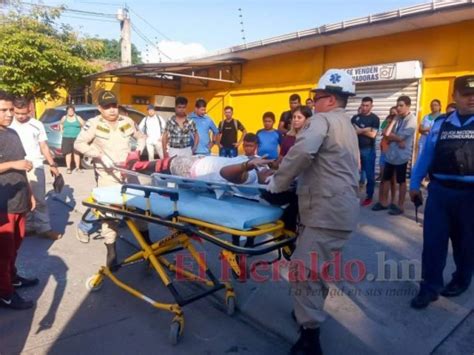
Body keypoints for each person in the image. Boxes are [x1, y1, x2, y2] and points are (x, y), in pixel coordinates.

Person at [267, 69, 360, 354]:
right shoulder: (347, 126)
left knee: (303, 272)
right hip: (340, 211)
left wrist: (277, 183)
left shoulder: (321, 120)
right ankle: (308, 315)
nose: (312, 103)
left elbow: (303, 151)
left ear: (330, 99)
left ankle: (310, 336)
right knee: (316, 271)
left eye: (316, 98)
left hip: (324, 212)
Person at [409, 75, 474, 309]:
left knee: (467, 244)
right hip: (440, 194)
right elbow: (426, 155)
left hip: (470, 197)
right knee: (433, 243)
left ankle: (462, 279)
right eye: (467, 95)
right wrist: (414, 184)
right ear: (455, 96)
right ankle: (430, 287)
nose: (472, 99)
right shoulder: (440, 124)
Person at [74, 90, 148, 267]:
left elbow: (142, 137)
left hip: (128, 173)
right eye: (107, 107)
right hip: (107, 174)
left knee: (141, 208)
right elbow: (79, 143)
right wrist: (98, 155)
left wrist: (137, 151)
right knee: (110, 214)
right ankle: (111, 252)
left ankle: (148, 245)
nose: (112, 110)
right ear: (100, 108)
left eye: (114, 106)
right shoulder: (92, 124)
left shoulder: (127, 121)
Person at [0, 90, 38, 310]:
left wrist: (30, 194)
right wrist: (13, 165)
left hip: (20, 200)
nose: (9, 114)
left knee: (15, 247)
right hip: (3, 205)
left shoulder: (12, 134)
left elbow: (22, 165)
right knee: (3, 253)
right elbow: (16, 164)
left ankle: (12, 278)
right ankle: (5, 293)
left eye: (11, 110)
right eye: (3, 110)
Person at [10, 97, 62, 240]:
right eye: (17, 113)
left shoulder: (37, 124)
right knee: (21, 198)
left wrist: (52, 164)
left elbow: (44, 146)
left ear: (30, 109)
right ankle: (27, 227)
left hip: (35, 165)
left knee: (39, 199)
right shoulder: (8, 124)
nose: (20, 116)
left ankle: (44, 228)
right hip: (15, 166)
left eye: (23, 113)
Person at [372, 95, 417, 215]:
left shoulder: (411, 120)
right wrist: (395, 120)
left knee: (400, 181)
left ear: (408, 106)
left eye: (401, 106)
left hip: (401, 156)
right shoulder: (393, 118)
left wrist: (397, 138)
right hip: (389, 153)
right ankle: (384, 202)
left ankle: (399, 205)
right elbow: (385, 132)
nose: (398, 108)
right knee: (385, 178)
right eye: (397, 106)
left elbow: (400, 136)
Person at [351, 97, 380, 206]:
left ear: (371, 106)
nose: (364, 107)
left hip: (368, 150)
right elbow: (352, 132)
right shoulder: (355, 117)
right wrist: (366, 129)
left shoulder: (375, 119)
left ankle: (369, 196)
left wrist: (360, 130)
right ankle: (354, 194)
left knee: (369, 174)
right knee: (355, 173)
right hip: (355, 149)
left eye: (367, 105)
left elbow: (373, 135)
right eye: (363, 105)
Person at [377, 107, 397, 206]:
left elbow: (396, 136)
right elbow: (384, 132)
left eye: (395, 113)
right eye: (391, 112)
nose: (393, 114)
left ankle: (393, 201)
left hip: (393, 153)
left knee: (393, 180)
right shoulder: (386, 121)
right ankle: (381, 200)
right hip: (384, 152)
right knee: (383, 178)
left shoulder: (399, 123)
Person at [59, 105, 85, 174]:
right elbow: (61, 124)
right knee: (68, 153)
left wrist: (81, 133)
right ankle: (68, 168)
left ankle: (77, 168)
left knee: (77, 153)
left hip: (76, 138)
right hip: (66, 138)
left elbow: (84, 124)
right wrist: (61, 131)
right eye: (69, 110)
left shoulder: (78, 118)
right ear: (67, 111)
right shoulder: (64, 118)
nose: (70, 112)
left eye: (72, 110)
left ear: (74, 111)